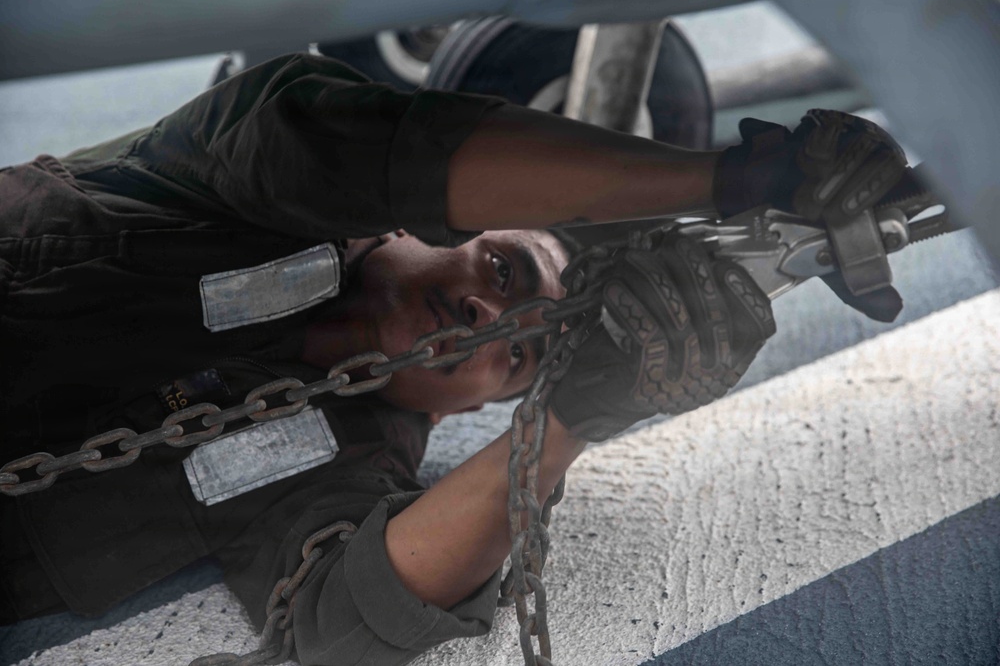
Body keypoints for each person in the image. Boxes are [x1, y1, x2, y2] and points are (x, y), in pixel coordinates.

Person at [0, 53, 907, 664]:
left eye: (514, 355)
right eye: (502, 269)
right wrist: (721, 180)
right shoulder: (234, 174)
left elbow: (352, 611)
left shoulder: (347, 464)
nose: (485, 314)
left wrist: (574, 417)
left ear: (474, 406)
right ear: (430, 224)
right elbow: (370, 146)